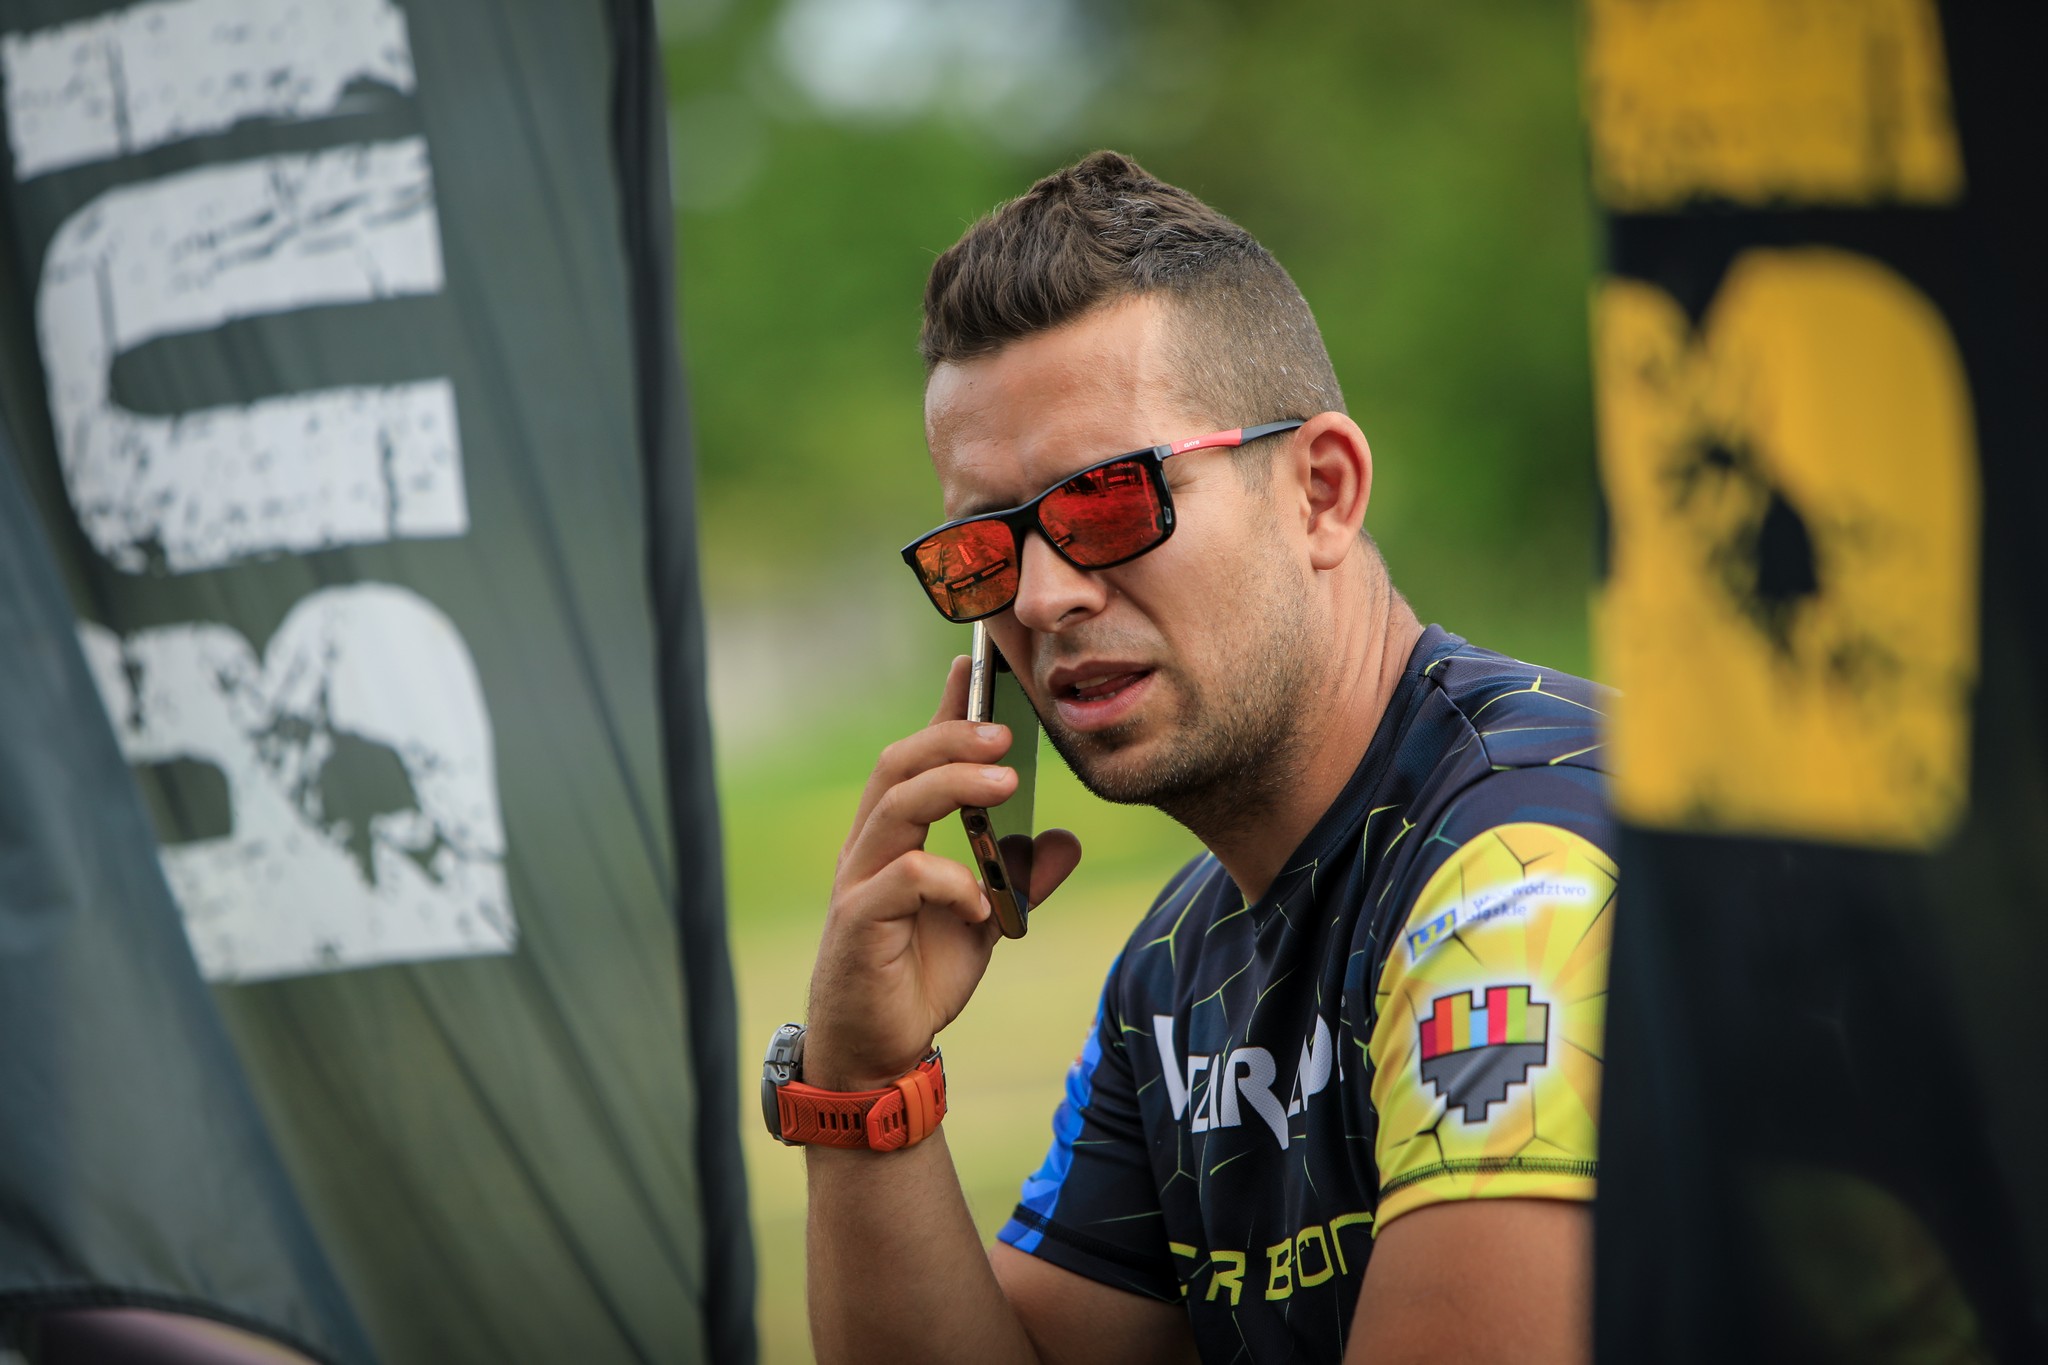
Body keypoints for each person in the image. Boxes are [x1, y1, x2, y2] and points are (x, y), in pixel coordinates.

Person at [773, 151, 1616, 1364]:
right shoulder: (1176, 959)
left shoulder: (1522, 873)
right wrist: (862, 1084)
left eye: (1107, 500)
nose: (1044, 598)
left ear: (1320, 493)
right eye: (985, 547)